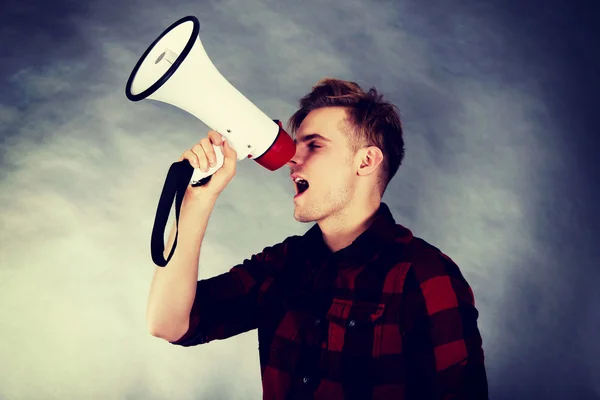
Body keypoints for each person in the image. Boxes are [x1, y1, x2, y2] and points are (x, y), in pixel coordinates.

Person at [146, 78, 489, 399]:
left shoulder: (427, 276)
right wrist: (197, 200)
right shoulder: (282, 265)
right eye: (297, 145)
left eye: (315, 145)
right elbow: (169, 323)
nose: (292, 159)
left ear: (366, 160)